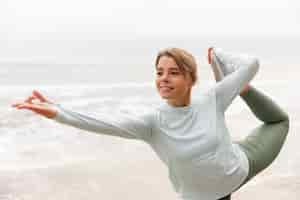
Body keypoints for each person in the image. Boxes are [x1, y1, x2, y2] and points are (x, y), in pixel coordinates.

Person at [12, 47, 289, 200]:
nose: (164, 78)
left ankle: (240, 87)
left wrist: (219, 55)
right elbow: (102, 122)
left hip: (240, 165)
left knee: (279, 121)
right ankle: (235, 86)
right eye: (159, 73)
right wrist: (57, 110)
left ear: (190, 79)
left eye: (174, 73)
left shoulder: (210, 99)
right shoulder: (152, 123)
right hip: (204, 197)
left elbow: (251, 63)